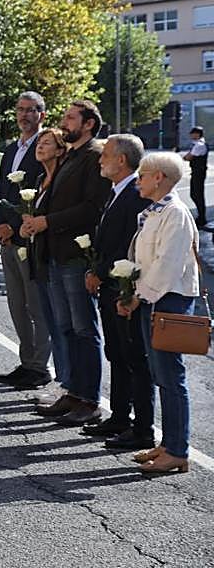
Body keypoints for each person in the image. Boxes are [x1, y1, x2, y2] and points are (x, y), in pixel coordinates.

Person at [22, 100, 110, 426]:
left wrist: (47, 222)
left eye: (71, 117)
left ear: (88, 124)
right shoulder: (72, 156)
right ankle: (73, 391)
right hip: (56, 256)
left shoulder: (93, 156)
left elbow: (92, 208)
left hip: (75, 255)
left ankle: (90, 400)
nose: (64, 122)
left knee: (84, 329)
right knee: (66, 328)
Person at [119, 151, 202, 475]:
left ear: (159, 178)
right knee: (161, 376)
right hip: (153, 298)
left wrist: (138, 296)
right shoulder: (155, 212)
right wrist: (133, 292)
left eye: (142, 175)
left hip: (167, 300)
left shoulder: (175, 213)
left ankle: (178, 450)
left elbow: (167, 265)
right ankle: (169, 445)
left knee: (170, 377)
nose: (137, 180)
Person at [84, 135, 153, 450]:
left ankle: (142, 428)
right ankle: (121, 417)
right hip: (111, 286)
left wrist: (101, 272)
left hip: (123, 288)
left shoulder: (135, 196)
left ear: (122, 160)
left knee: (133, 358)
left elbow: (128, 244)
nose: (100, 160)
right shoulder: (116, 193)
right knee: (116, 354)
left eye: (106, 155)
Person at [0, 92, 51, 390]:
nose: (24, 115)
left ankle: (40, 366)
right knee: (16, 304)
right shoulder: (11, 149)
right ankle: (27, 362)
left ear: (41, 114)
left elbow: (42, 195)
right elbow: (0, 190)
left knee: (36, 305)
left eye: (31, 110)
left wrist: (14, 227)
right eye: (20, 110)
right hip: (8, 239)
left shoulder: (46, 148)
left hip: (30, 238)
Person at [26, 128, 71, 396]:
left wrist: (42, 224)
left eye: (47, 143)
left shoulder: (61, 180)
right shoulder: (41, 177)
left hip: (59, 257)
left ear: (60, 149)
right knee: (53, 323)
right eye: (39, 143)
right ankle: (62, 380)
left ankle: (68, 383)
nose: (40, 146)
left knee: (64, 325)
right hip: (40, 257)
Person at [182, 126, 207, 227]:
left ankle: (202, 218)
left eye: (193, 133)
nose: (191, 135)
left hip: (199, 172)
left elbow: (188, 157)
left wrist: (185, 156)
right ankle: (201, 216)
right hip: (196, 172)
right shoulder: (197, 144)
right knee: (195, 194)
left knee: (198, 195)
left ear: (197, 134)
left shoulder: (199, 145)